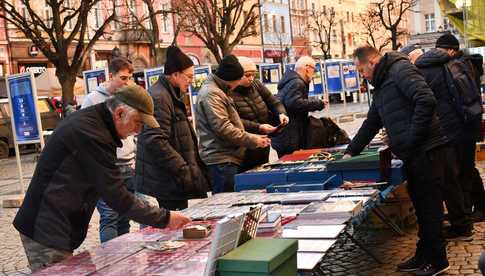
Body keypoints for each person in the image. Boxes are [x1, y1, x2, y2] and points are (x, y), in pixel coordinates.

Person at [13, 85, 191, 272]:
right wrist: (165, 218)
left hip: (55, 225)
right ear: (120, 113)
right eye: (138, 122)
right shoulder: (92, 134)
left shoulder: (97, 124)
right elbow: (117, 197)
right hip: (46, 228)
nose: (139, 130)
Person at [344, 46, 449, 275]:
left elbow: (426, 99)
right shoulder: (382, 84)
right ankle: (423, 255)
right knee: (421, 207)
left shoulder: (400, 69)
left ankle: (438, 260)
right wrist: (351, 151)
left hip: (426, 149)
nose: (362, 75)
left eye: (361, 70)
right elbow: (372, 121)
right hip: (413, 153)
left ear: (372, 62)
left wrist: (411, 138)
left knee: (430, 208)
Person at [411, 37, 474, 241]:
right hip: (459, 127)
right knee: (458, 176)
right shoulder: (450, 64)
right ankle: (463, 220)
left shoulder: (426, 71)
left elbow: (426, 103)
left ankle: (462, 223)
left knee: (451, 179)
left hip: (447, 130)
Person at [136, 45, 210, 211]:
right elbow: (155, 140)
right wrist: (182, 168)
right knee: (172, 225)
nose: (191, 81)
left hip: (172, 177)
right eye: (189, 77)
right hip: (167, 178)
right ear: (175, 74)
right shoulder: (160, 97)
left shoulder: (170, 93)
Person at [80, 57, 138, 243]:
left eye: (130, 78)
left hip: (128, 166)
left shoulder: (128, 97)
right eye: (123, 78)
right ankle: (110, 262)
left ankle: (124, 259)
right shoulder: (93, 99)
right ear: (110, 76)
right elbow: (85, 135)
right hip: (106, 168)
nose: (127, 82)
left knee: (124, 217)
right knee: (109, 217)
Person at [195, 55, 271, 193]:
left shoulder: (218, 90)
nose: (238, 85)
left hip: (226, 157)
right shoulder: (212, 94)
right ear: (230, 79)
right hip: (221, 159)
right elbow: (224, 128)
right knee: (225, 203)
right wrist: (252, 139)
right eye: (238, 80)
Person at [229, 56, 289, 171]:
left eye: (253, 75)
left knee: (262, 172)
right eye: (247, 75)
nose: (251, 78)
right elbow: (234, 120)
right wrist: (259, 127)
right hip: (245, 145)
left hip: (263, 142)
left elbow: (274, 102)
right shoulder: (229, 93)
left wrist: (281, 113)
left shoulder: (257, 85)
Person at [271, 56, 326, 157]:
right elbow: (294, 103)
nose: (314, 74)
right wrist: (318, 103)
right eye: (314, 70)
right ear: (307, 68)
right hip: (290, 136)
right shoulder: (297, 82)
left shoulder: (291, 80)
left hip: (285, 135)